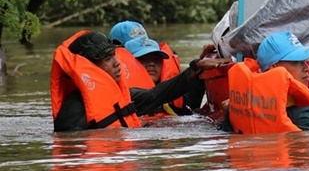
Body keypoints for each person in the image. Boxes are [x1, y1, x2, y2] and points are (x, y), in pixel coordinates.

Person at [51, 30, 230, 132]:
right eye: (107, 59)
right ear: (89, 68)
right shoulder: (72, 112)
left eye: (114, 56)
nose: (116, 64)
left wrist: (195, 67)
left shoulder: (121, 95)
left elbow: (155, 95)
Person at [110, 20, 189, 114]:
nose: (151, 63)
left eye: (156, 59)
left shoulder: (171, 89)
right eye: (142, 58)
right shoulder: (118, 91)